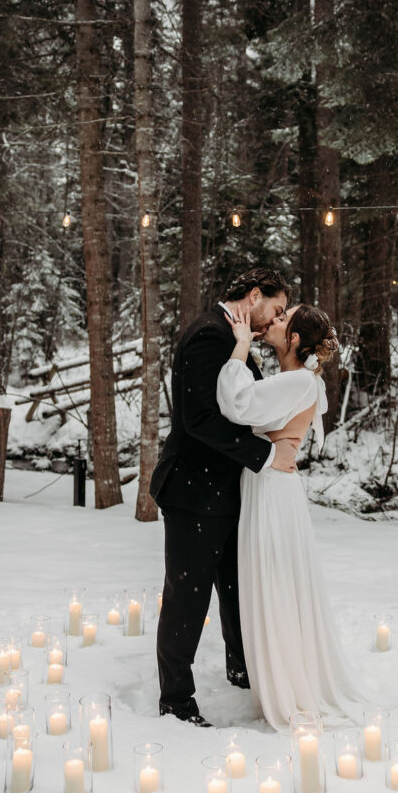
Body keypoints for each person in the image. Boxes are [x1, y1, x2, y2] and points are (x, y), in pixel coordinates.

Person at [150, 268, 297, 725]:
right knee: (187, 598)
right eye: (274, 309)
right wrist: (267, 455)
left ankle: (241, 667)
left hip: (229, 490)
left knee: (238, 590)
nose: (274, 320)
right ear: (254, 295)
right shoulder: (207, 336)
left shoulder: (231, 338)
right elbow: (200, 420)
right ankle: (175, 699)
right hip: (194, 490)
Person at [216, 302, 365, 730]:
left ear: (295, 339)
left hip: (273, 492)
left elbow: (237, 403)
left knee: (276, 582)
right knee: (273, 580)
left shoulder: (299, 380)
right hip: (271, 485)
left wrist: (241, 346)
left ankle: (288, 683)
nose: (273, 322)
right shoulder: (295, 380)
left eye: (282, 320)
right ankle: (281, 673)